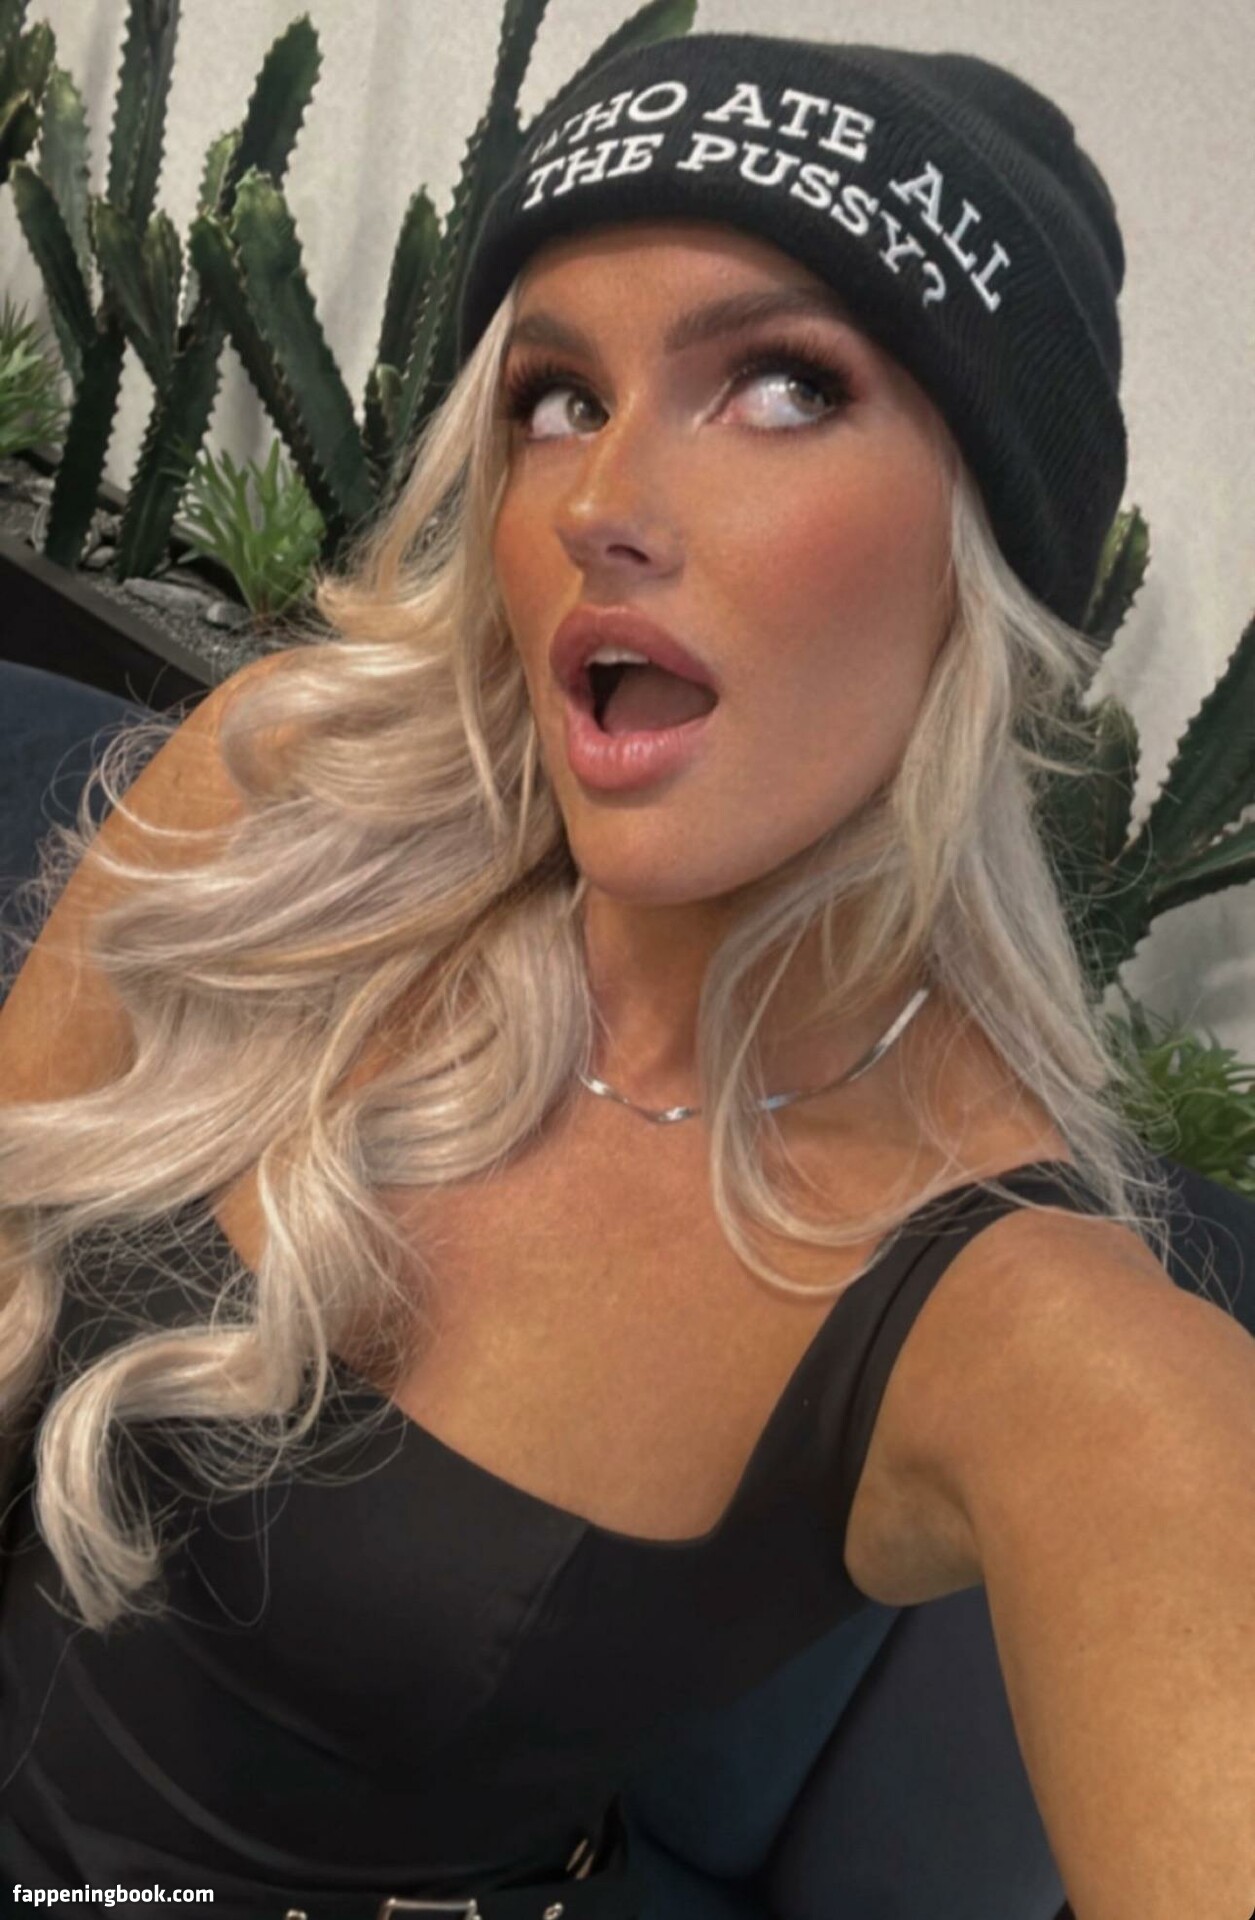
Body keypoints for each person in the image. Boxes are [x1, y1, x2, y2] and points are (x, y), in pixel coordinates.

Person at [1, 29, 1252, 1920]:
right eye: (559, 396)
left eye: (782, 386)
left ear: (988, 551)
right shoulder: (280, 799)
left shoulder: (1028, 1322)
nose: (601, 496)